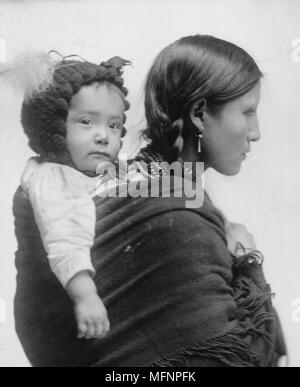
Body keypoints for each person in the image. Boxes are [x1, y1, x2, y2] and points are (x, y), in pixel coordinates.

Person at [13, 35, 286, 367]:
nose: (255, 132)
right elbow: (241, 360)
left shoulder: (132, 187)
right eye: (247, 112)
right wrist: (246, 258)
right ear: (199, 114)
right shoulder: (176, 210)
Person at [6, 53, 130, 340]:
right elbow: (65, 237)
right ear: (54, 129)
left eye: (114, 125)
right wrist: (85, 296)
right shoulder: (53, 179)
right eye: (86, 122)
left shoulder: (89, 171)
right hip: (66, 308)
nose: (103, 136)